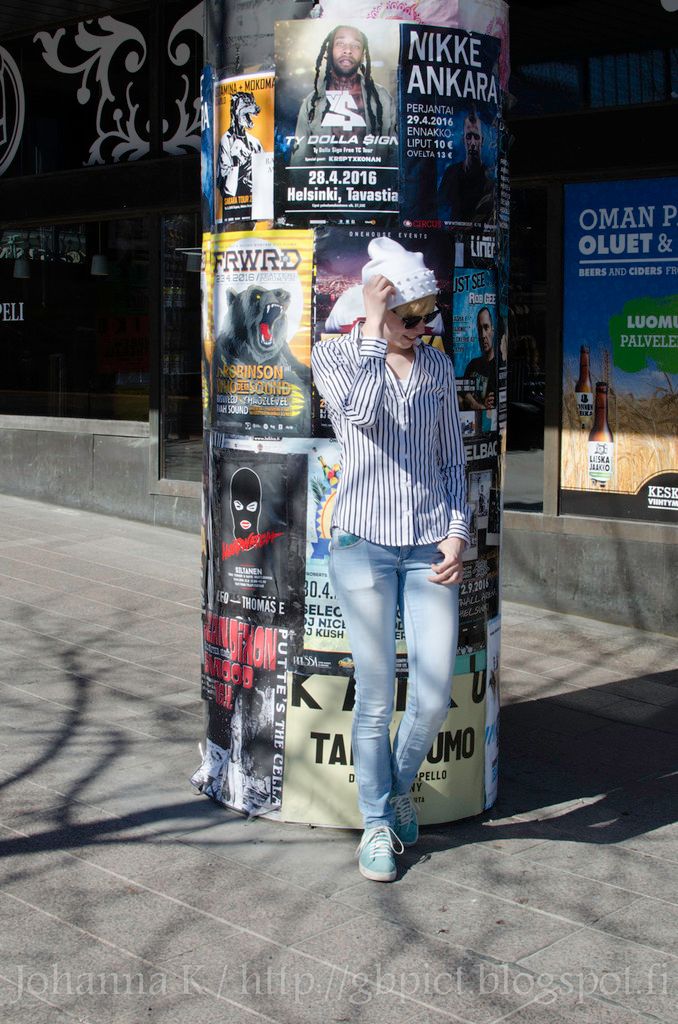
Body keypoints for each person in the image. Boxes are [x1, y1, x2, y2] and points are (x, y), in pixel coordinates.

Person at [312, 238, 470, 882]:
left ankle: (396, 788)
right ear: (378, 307)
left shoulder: (436, 367)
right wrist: (375, 332)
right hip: (363, 543)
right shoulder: (334, 355)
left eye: (428, 314)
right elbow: (361, 414)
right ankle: (376, 823)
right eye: (410, 315)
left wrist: (457, 532)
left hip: (429, 542)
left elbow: (452, 459)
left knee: (432, 696)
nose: (422, 327)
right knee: (376, 695)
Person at [290, 25, 397, 166]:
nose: (348, 50)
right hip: (324, 180)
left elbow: (396, 155)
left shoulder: (382, 99)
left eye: (356, 46)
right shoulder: (312, 103)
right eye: (340, 43)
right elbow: (299, 162)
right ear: (329, 51)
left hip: (373, 180)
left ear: (363, 55)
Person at [439, 110, 494, 223]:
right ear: (463, 140)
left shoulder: (490, 177)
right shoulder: (451, 172)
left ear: (482, 141)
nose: (472, 143)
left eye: (476, 137)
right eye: (469, 137)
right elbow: (440, 207)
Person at [462, 306, 497, 411]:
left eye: (486, 327)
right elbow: (462, 391)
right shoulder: (473, 364)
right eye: (479, 329)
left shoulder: (498, 367)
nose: (483, 335)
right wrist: (476, 404)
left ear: (492, 329)